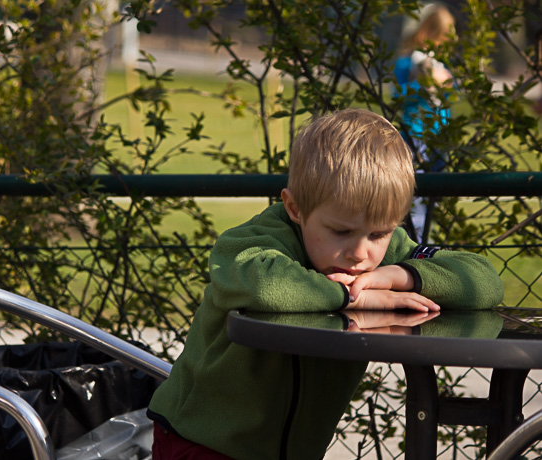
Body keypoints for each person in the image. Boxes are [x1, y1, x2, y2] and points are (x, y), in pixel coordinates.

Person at [146, 108, 504, 460]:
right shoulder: (260, 240)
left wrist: (398, 276)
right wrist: (353, 296)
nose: (360, 253)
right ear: (296, 208)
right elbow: (263, 284)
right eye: (340, 231)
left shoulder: (387, 253)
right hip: (203, 440)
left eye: (378, 233)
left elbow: (483, 279)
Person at [394, 3, 457, 242]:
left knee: (435, 192)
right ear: (426, 33)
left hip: (439, 136)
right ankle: (414, 239)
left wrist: (446, 83)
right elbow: (398, 94)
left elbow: (449, 96)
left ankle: (426, 237)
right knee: (415, 191)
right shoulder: (408, 62)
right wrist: (424, 85)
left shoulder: (439, 63)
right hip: (416, 134)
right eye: (442, 36)